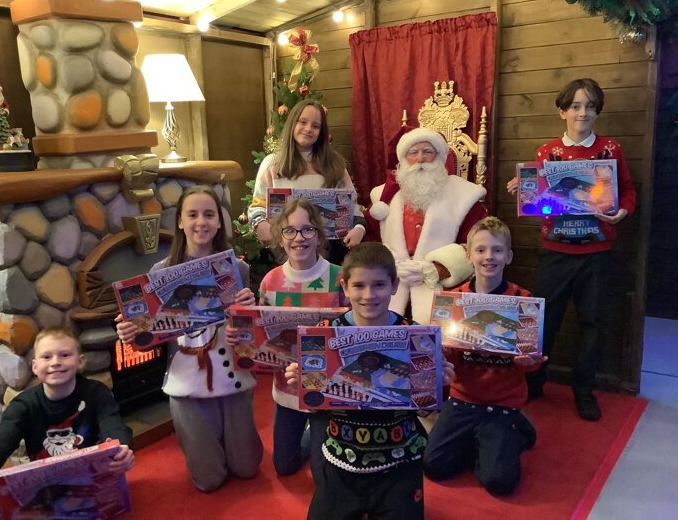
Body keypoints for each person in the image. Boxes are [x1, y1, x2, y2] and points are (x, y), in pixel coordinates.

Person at [286, 242, 454, 520]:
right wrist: (302, 384)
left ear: (394, 285)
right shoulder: (324, 334)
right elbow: (317, 405)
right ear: (345, 287)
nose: (368, 295)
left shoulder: (416, 336)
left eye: (379, 285)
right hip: (341, 458)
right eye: (359, 286)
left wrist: (439, 384)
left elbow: (425, 409)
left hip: (400, 460)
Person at [116, 186, 263, 491]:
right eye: (192, 214)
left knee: (247, 468)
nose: (201, 222)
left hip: (232, 374)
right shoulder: (160, 271)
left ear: (219, 222)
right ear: (180, 222)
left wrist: (250, 312)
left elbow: (251, 336)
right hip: (186, 378)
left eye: (209, 214)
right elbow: (147, 334)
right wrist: (130, 332)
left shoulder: (238, 268)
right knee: (208, 481)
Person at [507, 78, 636, 421]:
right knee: (544, 320)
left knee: (592, 322)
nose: (583, 113)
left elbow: (628, 192)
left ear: (597, 111)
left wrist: (622, 213)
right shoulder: (546, 152)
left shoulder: (611, 149)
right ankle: (534, 383)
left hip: (597, 252)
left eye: (590, 106)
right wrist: (526, 187)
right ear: (562, 112)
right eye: (576, 106)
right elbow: (540, 202)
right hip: (556, 250)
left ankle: (584, 390)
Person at [423, 217, 546, 495]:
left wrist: (528, 363)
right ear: (468, 255)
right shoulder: (452, 300)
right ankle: (483, 441)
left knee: (498, 482)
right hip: (463, 400)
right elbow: (445, 356)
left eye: (497, 250)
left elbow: (530, 364)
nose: (489, 256)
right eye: (480, 250)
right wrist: (442, 354)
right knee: (434, 466)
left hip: (502, 403)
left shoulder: (523, 300)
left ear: (508, 256)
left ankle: (515, 430)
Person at [229, 199, 348, 476]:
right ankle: (310, 438)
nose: (299, 238)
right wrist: (242, 336)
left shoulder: (339, 277)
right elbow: (260, 336)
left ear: (319, 235)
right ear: (280, 238)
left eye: (307, 229)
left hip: (326, 389)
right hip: (286, 389)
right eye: (290, 231)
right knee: (284, 465)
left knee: (322, 473)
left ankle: (318, 439)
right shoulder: (270, 281)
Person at [0, 327, 134, 476]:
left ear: (80, 362)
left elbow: (113, 424)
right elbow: (1, 440)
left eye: (65, 355)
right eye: (46, 357)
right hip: (47, 483)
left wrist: (121, 448)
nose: (55, 362)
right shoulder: (24, 405)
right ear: (35, 367)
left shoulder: (97, 393)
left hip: (93, 476)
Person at [368, 127, 487, 325]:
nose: (420, 158)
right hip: (391, 285)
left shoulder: (466, 196)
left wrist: (435, 269)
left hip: (442, 288)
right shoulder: (382, 197)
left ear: (439, 157)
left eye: (428, 151)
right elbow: (369, 239)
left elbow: (477, 243)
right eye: (413, 152)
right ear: (403, 159)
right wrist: (388, 265)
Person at [248, 99, 366, 264]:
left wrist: (359, 228)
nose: (308, 129)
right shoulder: (272, 164)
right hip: (286, 254)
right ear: (292, 124)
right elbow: (257, 206)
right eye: (303, 122)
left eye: (315, 126)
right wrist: (260, 224)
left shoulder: (335, 165)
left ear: (321, 132)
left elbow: (352, 206)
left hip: (329, 255)